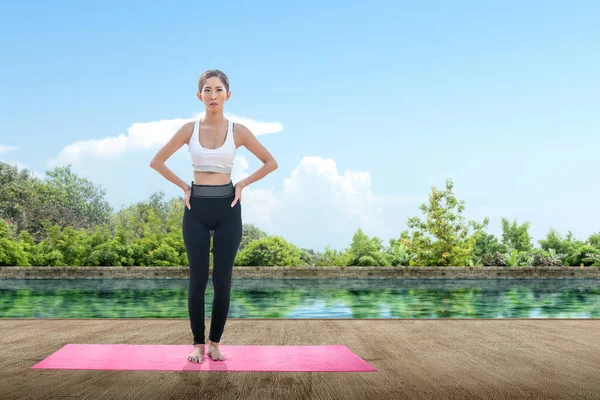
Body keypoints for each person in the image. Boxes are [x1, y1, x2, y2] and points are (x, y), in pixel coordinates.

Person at [150, 69, 278, 363]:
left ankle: (214, 343)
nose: (213, 95)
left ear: (227, 95)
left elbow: (271, 162)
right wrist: (184, 185)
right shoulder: (188, 129)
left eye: (218, 90)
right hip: (195, 209)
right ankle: (196, 344)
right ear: (200, 96)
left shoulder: (239, 131)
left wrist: (243, 183)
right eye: (207, 90)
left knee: (222, 282)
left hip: (228, 210)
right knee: (197, 281)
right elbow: (156, 161)